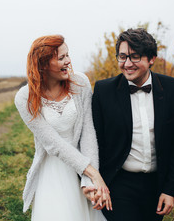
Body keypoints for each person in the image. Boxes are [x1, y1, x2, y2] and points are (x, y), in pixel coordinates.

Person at [88, 28, 174, 221]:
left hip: (157, 186)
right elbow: (93, 140)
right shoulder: (104, 91)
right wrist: (95, 183)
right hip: (118, 184)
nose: (127, 64)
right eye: (122, 56)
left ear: (151, 59)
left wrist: (170, 189)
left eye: (134, 57)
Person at [14, 35, 110, 221]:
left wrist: (88, 181)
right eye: (61, 58)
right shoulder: (24, 97)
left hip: (85, 162)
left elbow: (88, 133)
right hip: (53, 171)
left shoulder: (80, 83)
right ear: (43, 64)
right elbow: (53, 144)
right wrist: (93, 172)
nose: (68, 61)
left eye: (68, 55)